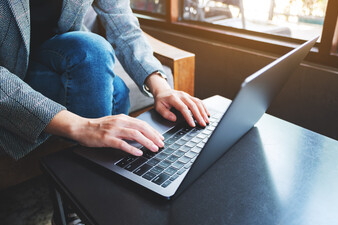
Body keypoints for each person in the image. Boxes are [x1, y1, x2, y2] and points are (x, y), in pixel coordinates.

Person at [0, 0, 210, 161]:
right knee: (115, 90)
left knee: (99, 61)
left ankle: (95, 185)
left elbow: (124, 27)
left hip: (59, 55)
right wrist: (83, 126)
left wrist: (160, 86)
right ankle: (80, 198)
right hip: (8, 71)